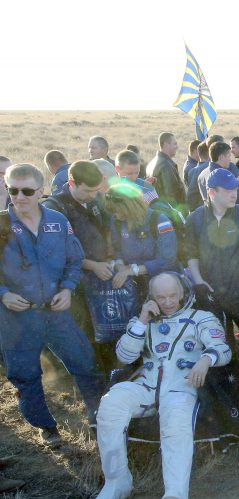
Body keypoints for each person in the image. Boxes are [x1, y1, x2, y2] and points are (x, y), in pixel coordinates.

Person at [90, 273, 231, 499]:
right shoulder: (143, 321)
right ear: (151, 297)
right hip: (146, 386)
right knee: (111, 402)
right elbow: (124, 356)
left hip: (181, 387)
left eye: (173, 295)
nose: (167, 302)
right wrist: (143, 320)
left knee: (175, 421)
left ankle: (176, 495)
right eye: (161, 297)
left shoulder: (201, 318)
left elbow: (223, 348)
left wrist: (205, 359)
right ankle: (117, 482)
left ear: (183, 292)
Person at [0, 164, 103, 445]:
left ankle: (99, 417)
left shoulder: (57, 221)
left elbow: (74, 260)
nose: (19, 197)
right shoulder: (2, 225)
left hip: (57, 313)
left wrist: (68, 289)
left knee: (85, 363)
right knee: (25, 376)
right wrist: (4, 294)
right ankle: (46, 427)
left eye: (27, 191)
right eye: (12, 190)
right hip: (17, 318)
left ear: (40, 191)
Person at [185, 168, 239, 390]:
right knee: (221, 344)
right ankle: (230, 391)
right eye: (228, 190)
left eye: (235, 189)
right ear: (212, 192)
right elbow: (190, 253)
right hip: (212, 295)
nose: (234, 194)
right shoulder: (195, 219)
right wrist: (198, 281)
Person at [43, 161, 116, 370]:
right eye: (87, 191)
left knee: (104, 329)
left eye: (96, 190)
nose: (93, 195)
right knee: (82, 332)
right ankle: (84, 376)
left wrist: (111, 256)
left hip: (100, 278)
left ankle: (106, 371)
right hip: (73, 285)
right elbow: (57, 253)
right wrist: (93, 266)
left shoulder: (95, 200)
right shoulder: (54, 210)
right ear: (72, 183)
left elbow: (107, 229)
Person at [104, 184, 179, 309]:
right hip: (134, 286)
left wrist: (132, 271)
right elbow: (117, 249)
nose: (116, 215)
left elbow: (167, 259)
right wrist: (119, 265)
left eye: (117, 211)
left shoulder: (159, 220)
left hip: (163, 284)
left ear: (130, 207)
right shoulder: (116, 221)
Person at [146, 132, 185, 209]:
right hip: (168, 212)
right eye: (174, 144)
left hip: (159, 210)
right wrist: (178, 214)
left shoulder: (152, 163)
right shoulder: (165, 165)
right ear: (166, 144)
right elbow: (170, 195)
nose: (177, 147)